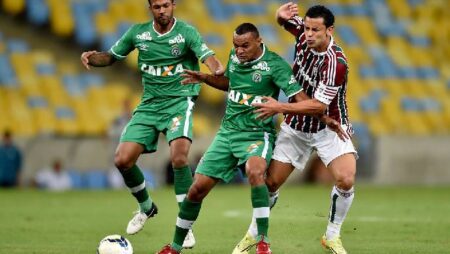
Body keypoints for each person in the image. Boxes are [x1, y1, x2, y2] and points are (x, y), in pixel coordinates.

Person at [156, 22, 344, 254]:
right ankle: (174, 246)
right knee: (196, 190)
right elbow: (229, 83)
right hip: (227, 134)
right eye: (236, 46)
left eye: (245, 45)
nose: (239, 51)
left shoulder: (275, 65)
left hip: (257, 134)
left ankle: (262, 242)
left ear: (259, 42)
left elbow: (300, 97)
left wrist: (324, 118)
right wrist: (205, 78)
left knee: (256, 172)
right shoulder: (235, 58)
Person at [80, 0, 223, 248]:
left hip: (180, 101)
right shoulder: (138, 33)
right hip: (149, 105)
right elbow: (111, 57)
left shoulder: (186, 32)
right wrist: (92, 58)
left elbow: (207, 56)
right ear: (150, 8)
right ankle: (146, 207)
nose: (162, 10)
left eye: (166, 5)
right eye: (157, 6)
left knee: (179, 157)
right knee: (122, 160)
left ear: (173, 5)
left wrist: (216, 67)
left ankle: (184, 225)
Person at [233, 3, 357, 254]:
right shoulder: (303, 34)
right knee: (270, 184)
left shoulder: (336, 63)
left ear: (329, 30)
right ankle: (252, 235)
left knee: (346, 178)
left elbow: (317, 107)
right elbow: (283, 20)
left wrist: (279, 106)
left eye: (315, 30)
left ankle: (332, 236)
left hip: (329, 127)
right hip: (297, 128)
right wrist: (280, 15)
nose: (308, 34)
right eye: (307, 28)